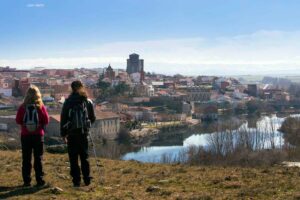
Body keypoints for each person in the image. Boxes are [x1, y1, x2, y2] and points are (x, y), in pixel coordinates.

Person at [60, 80, 96, 187]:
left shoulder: (68, 102)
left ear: (72, 88)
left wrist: (63, 134)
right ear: (82, 87)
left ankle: (76, 181)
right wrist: (86, 126)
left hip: (71, 134)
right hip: (83, 133)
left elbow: (63, 119)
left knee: (73, 158)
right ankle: (87, 179)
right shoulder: (87, 101)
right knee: (84, 157)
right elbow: (93, 118)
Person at [16, 85, 49, 187]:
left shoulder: (23, 107)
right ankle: (40, 180)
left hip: (25, 135)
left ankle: (27, 181)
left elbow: (18, 120)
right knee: (38, 158)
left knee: (26, 159)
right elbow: (46, 120)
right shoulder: (40, 107)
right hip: (38, 135)